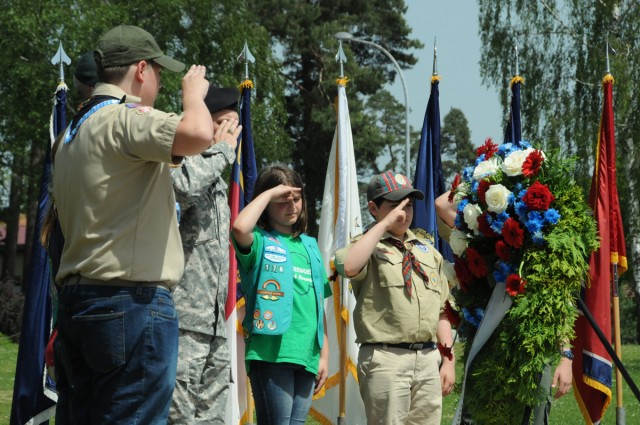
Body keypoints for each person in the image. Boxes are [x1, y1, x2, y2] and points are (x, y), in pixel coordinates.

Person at [52, 24, 239, 424]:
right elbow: (199, 133)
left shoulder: (73, 129)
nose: (158, 82)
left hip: (79, 300)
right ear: (141, 69)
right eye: (158, 72)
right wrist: (193, 97)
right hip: (129, 303)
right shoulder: (124, 117)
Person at [435, 191, 573, 424]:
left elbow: (556, 305)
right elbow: (441, 204)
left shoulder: (539, 247)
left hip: (533, 357)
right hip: (488, 355)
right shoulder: (476, 235)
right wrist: (490, 177)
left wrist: (566, 356)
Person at [334, 171, 455, 425]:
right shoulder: (366, 245)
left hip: (427, 359)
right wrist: (384, 225)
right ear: (373, 208)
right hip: (386, 360)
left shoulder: (427, 250)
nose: (405, 212)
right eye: (395, 206)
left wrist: (448, 360)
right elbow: (349, 267)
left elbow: (443, 310)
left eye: (409, 205)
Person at [231, 164, 330, 424]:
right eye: (281, 200)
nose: (292, 206)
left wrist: (324, 355)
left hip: (307, 355)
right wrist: (267, 195)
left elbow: (319, 306)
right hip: (270, 353)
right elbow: (240, 228)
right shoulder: (259, 240)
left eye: (296, 199)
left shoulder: (310, 246)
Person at [168, 87, 240, 424]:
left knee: (212, 417)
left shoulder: (218, 180)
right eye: (223, 123)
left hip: (213, 325)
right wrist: (221, 153)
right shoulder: (181, 165)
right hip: (182, 320)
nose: (231, 135)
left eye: (235, 127)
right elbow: (184, 190)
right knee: (177, 414)